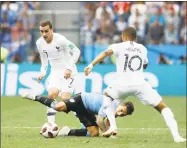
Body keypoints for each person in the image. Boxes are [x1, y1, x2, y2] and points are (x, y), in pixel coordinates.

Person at [84, 27, 186, 143]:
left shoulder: (118, 46)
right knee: (162, 107)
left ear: (123, 37)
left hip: (121, 84)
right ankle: (176, 136)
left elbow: (105, 53)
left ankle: (113, 126)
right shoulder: (142, 48)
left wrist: (91, 65)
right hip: (139, 84)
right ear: (135, 37)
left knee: (107, 96)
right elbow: (145, 65)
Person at [21, 92, 134, 137]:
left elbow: (107, 123)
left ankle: (66, 131)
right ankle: (34, 97)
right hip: (81, 100)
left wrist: (110, 131)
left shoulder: (115, 113)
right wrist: (107, 133)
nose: (119, 113)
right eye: (121, 110)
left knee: (94, 133)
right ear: (121, 104)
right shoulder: (110, 104)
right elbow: (100, 121)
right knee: (58, 107)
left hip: (87, 111)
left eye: (122, 114)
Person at [36, 20, 80, 124]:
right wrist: (43, 71)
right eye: (41, 31)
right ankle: (51, 124)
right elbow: (44, 59)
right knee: (51, 95)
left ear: (51, 29)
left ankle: (85, 121)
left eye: (46, 31)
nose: (44, 34)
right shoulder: (39, 43)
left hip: (68, 71)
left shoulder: (61, 40)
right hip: (55, 72)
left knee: (65, 99)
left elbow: (76, 51)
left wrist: (69, 68)